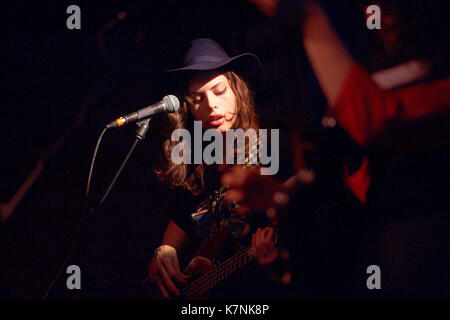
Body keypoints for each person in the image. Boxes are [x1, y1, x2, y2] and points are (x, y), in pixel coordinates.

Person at [224, 0, 449, 298]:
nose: (374, 14)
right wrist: (281, 199)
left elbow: (378, 120)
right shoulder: (379, 76)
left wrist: (309, 19)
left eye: (387, 5)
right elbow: (355, 203)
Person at [146, 39, 279, 300]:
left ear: (237, 91)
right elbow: (170, 243)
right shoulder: (198, 170)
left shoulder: (273, 149)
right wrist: (162, 254)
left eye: (219, 91)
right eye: (198, 99)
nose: (211, 106)